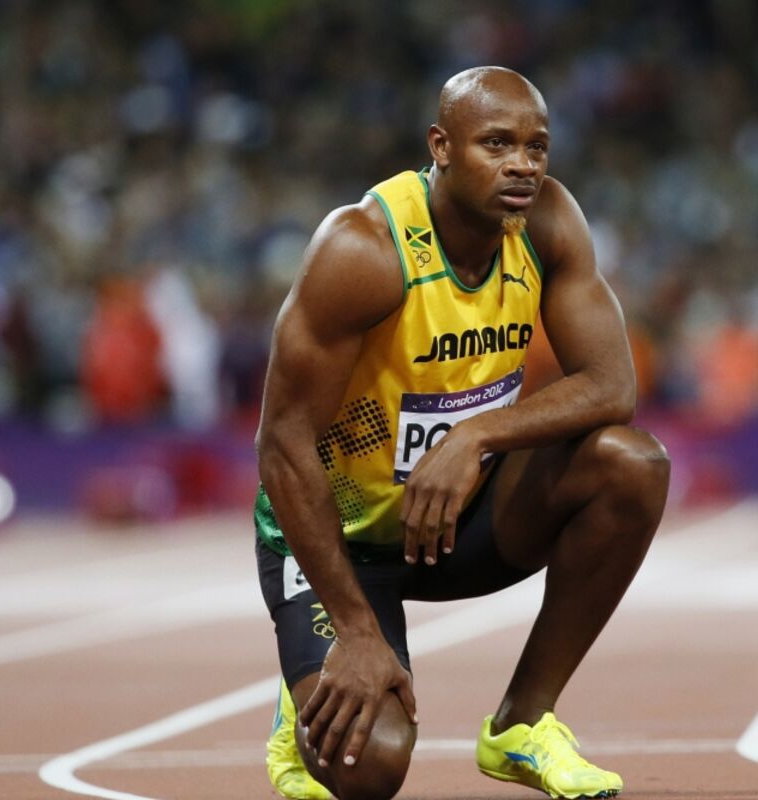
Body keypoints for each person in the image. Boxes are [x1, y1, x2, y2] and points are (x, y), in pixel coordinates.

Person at [254, 66, 670, 800]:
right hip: (342, 542)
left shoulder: (547, 224)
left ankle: (522, 725)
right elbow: (282, 446)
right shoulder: (364, 249)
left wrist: (475, 435)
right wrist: (355, 630)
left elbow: (613, 386)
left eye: (537, 147)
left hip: (453, 519)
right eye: (497, 144)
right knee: (368, 766)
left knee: (632, 464)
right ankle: (304, 692)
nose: (523, 165)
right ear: (441, 147)